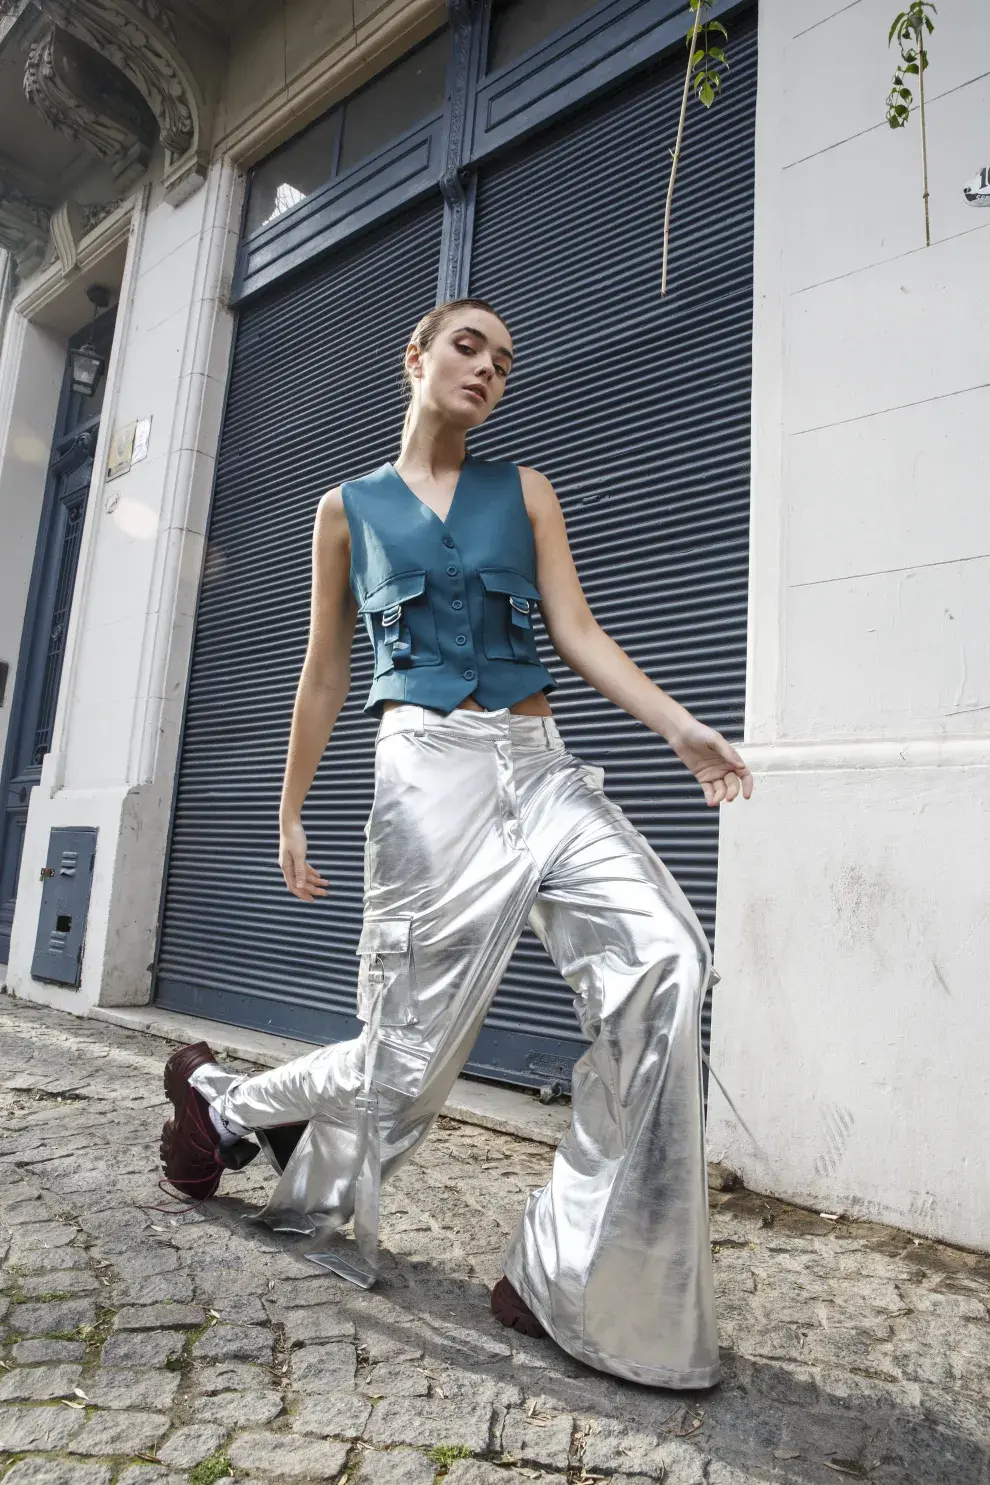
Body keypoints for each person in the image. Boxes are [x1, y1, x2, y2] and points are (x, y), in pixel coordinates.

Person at [159, 297, 753, 1389]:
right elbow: (325, 670)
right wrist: (290, 809)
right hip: (425, 779)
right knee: (405, 1068)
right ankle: (224, 1106)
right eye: (469, 346)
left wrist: (680, 726)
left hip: (542, 769)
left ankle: (565, 1276)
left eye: (506, 360)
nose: (489, 368)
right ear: (417, 358)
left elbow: (573, 630)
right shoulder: (346, 509)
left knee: (668, 963)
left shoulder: (524, 493)